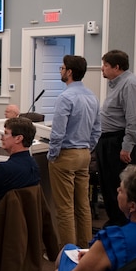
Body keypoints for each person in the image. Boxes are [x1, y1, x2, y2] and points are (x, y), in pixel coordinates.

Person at [48, 55, 101, 248]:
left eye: (62, 68)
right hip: (84, 154)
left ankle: (68, 253)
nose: (60, 71)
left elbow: (58, 132)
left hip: (66, 155)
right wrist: (87, 148)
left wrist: (53, 155)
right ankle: (85, 249)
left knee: (65, 208)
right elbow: (97, 130)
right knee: (83, 205)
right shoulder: (92, 96)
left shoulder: (65, 97)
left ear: (69, 72)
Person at [95, 50, 136, 227]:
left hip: (119, 142)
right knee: (108, 185)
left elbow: (135, 119)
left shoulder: (130, 84)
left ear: (117, 67)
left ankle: (123, 224)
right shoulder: (116, 84)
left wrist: (127, 147)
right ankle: (115, 222)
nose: (102, 69)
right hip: (108, 140)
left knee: (120, 186)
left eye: (106, 65)